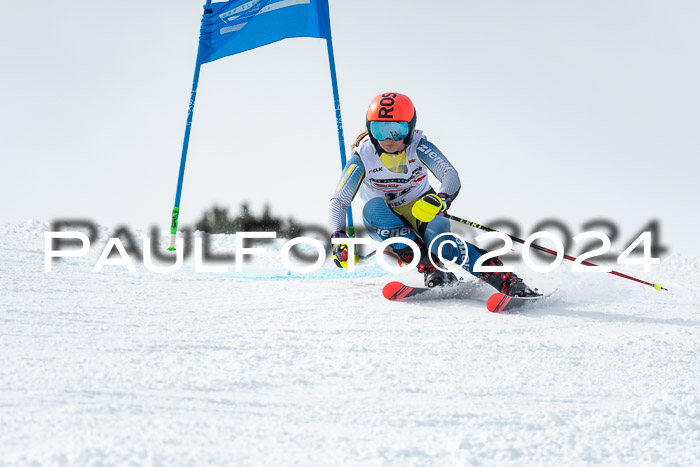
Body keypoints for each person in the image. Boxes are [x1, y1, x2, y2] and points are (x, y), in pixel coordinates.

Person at [328, 92, 538, 297]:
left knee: (443, 244)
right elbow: (339, 200)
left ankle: (507, 281)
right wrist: (338, 236)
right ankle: (432, 269)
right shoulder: (362, 157)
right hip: (384, 218)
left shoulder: (419, 146)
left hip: (422, 207)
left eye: (397, 130)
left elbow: (450, 175)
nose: (388, 139)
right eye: (379, 130)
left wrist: (441, 199)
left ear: (409, 128)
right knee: (374, 210)